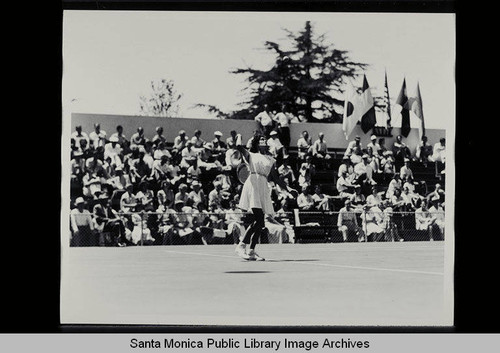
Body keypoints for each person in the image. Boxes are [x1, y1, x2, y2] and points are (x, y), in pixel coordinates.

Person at [235, 133, 290, 261]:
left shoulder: (270, 159)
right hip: (253, 185)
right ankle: (242, 245)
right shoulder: (251, 155)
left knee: (259, 223)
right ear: (256, 143)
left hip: (263, 187)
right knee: (259, 220)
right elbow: (238, 146)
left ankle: (252, 251)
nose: (263, 140)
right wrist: (239, 135)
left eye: (264, 139)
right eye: (260, 139)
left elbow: (276, 178)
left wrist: (288, 189)